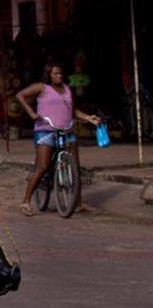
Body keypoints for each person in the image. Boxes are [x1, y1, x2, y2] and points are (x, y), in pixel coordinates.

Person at [16, 63, 100, 216]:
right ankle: (26, 202)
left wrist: (88, 117)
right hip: (46, 132)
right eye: (55, 73)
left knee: (75, 167)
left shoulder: (67, 89)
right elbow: (20, 95)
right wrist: (31, 113)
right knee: (42, 167)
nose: (59, 76)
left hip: (67, 131)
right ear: (49, 75)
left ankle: (78, 203)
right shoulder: (41, 87)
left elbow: (73, 110)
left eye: (60, 73)